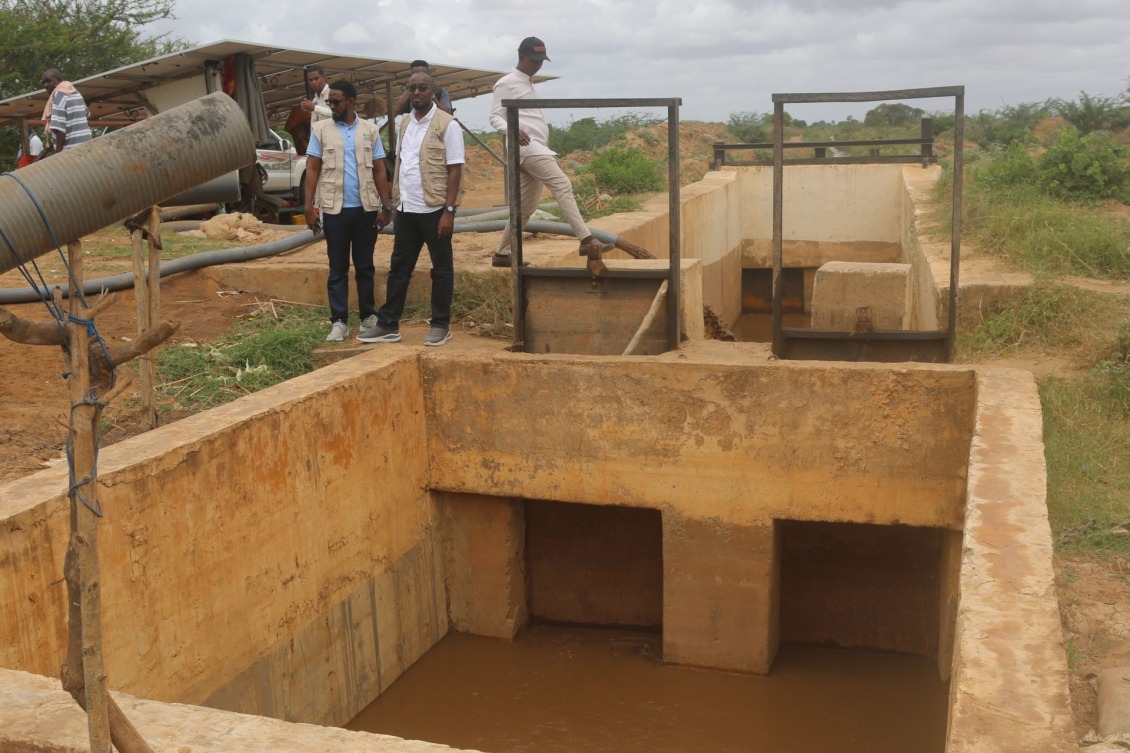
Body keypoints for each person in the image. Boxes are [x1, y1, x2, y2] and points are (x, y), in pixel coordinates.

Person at [360, 69, 464, 347]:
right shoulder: (405, 123)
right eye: (412, 88)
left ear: (433, 92)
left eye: (422, 88)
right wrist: (393, 204)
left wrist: (449, 211)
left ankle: (441, 325)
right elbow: (403, 164)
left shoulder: (447, 124)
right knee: (399, 268)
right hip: (406, 209)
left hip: (434, 210)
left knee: (441, 269)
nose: (417, 93)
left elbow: (455, 170)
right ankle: (388, 324)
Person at [489, 37, 609, 268]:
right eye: (534, 60)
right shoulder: (507, 82)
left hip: (535, 147)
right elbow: (495, 116)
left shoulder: (529, 83)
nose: (538, 65)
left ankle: (501, 254)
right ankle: (585, 238)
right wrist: (512, 130)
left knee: (526, 208)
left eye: (541, 60)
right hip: (526, 147)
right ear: (521, 57)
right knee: (562, 184)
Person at [303, 80, 394, 342]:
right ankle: (339, 322)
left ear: (351, 101)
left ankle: (368, 317)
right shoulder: (321, 130)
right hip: (335, 211)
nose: (331, 106)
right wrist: (308, 206)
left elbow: (379, 169)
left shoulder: (370, 130)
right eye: (329, 102)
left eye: (336, 102)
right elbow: (312, 168)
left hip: (366, 210)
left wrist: (386, 205)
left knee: (365, 266)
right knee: (338, 268)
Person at [42, 69, 91, 153]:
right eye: (44, 82)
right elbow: (87, 114)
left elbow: (59, 129)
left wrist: (58, 154)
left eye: (49, 81)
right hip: (87, 145)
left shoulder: (58, 94)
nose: (45, 85)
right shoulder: (75, 92)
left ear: (59, 80)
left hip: (71, 150)